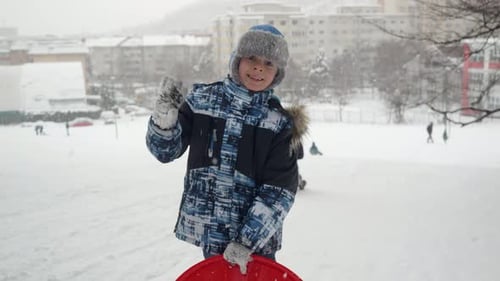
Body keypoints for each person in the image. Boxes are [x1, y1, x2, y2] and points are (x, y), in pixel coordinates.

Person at [145, 24, 308, 275]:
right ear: (237, 60)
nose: (258, 68)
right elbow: (165, 152)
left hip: (257, 247)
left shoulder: (278, 124)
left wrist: (247, 241)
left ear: (277, 73)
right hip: (211, 231)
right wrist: (164, 124)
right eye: (251, 58)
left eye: (268, 63)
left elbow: (279, 192)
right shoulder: (202, 101)